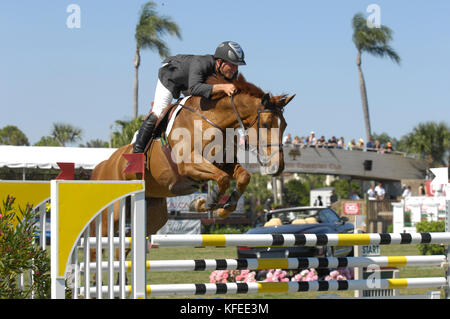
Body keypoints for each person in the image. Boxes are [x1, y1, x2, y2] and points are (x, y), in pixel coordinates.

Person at [132, 41, 246, 153]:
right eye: (232, 64)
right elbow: (194, 88)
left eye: (237, 65)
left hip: (192, 83)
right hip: (172, 76)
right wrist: (223, 87)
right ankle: (137, 152)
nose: (235, 69)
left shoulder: (231, 73)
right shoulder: (201, 63)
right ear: (220, 62)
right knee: (158, 112)